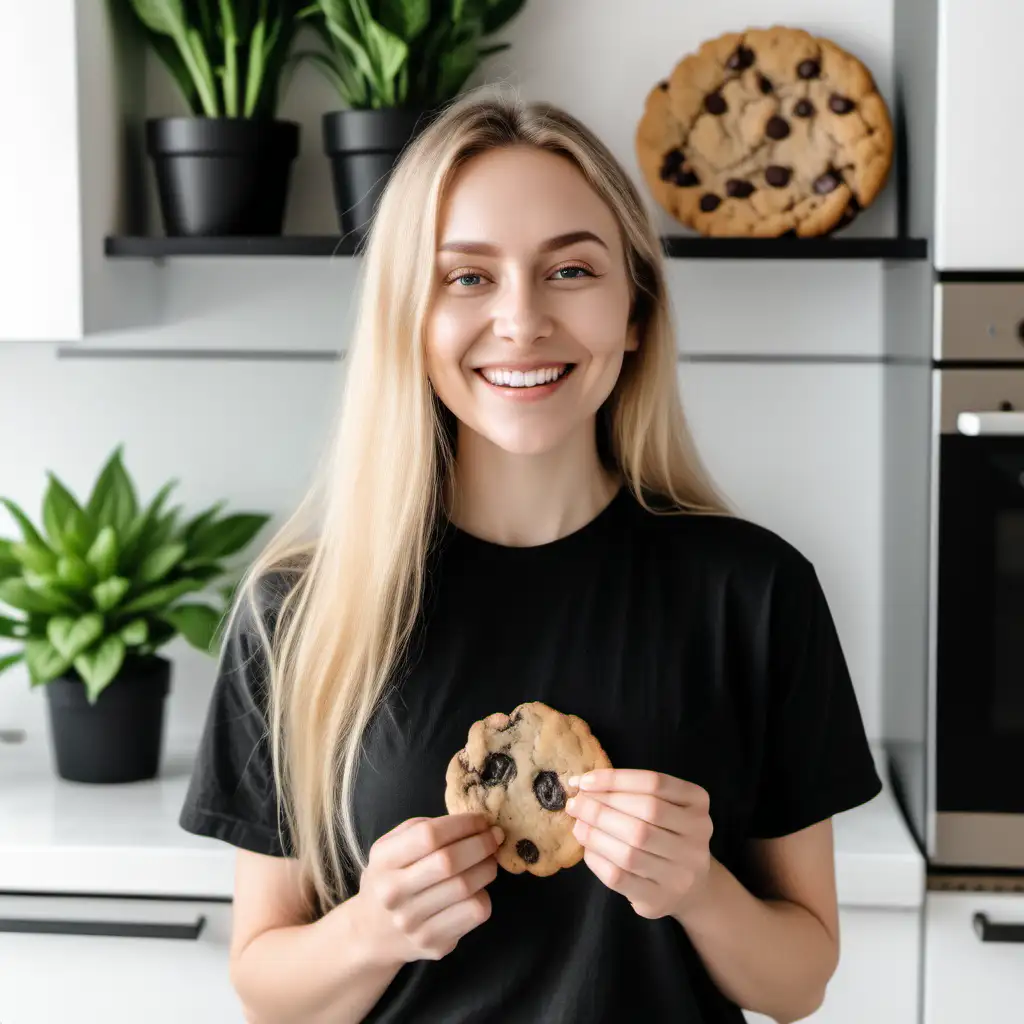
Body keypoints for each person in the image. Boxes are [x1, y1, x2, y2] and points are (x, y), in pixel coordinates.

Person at [179, 86, 882, 1024]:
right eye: (467, 277)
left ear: (634, 310)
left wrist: (699, 889)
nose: (521, 321)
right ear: (409, 320)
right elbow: (266, 987)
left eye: (571, 272)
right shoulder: (300, 611)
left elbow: (799, 984)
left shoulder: (755, 593)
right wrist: (374, 928)